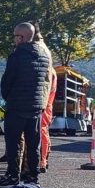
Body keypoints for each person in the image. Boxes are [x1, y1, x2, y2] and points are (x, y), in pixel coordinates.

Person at [0, 22, 50, 187]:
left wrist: (8, 98)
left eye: (15, 36)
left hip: (17, 106)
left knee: (13, 143)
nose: (13, 39)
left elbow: (7, 81)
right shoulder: (43, 54)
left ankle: (13, 175)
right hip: (35, 106)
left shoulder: (17, 55)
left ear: (21, 37)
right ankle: (32, 176)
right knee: (33, 144)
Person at [37, 32, 57, 174]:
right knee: (44, 133)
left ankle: (42, 160)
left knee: (41, 133)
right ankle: (44, 159)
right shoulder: (52, 71)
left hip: (43, 105)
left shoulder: (48, 71)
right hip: (46, 105)